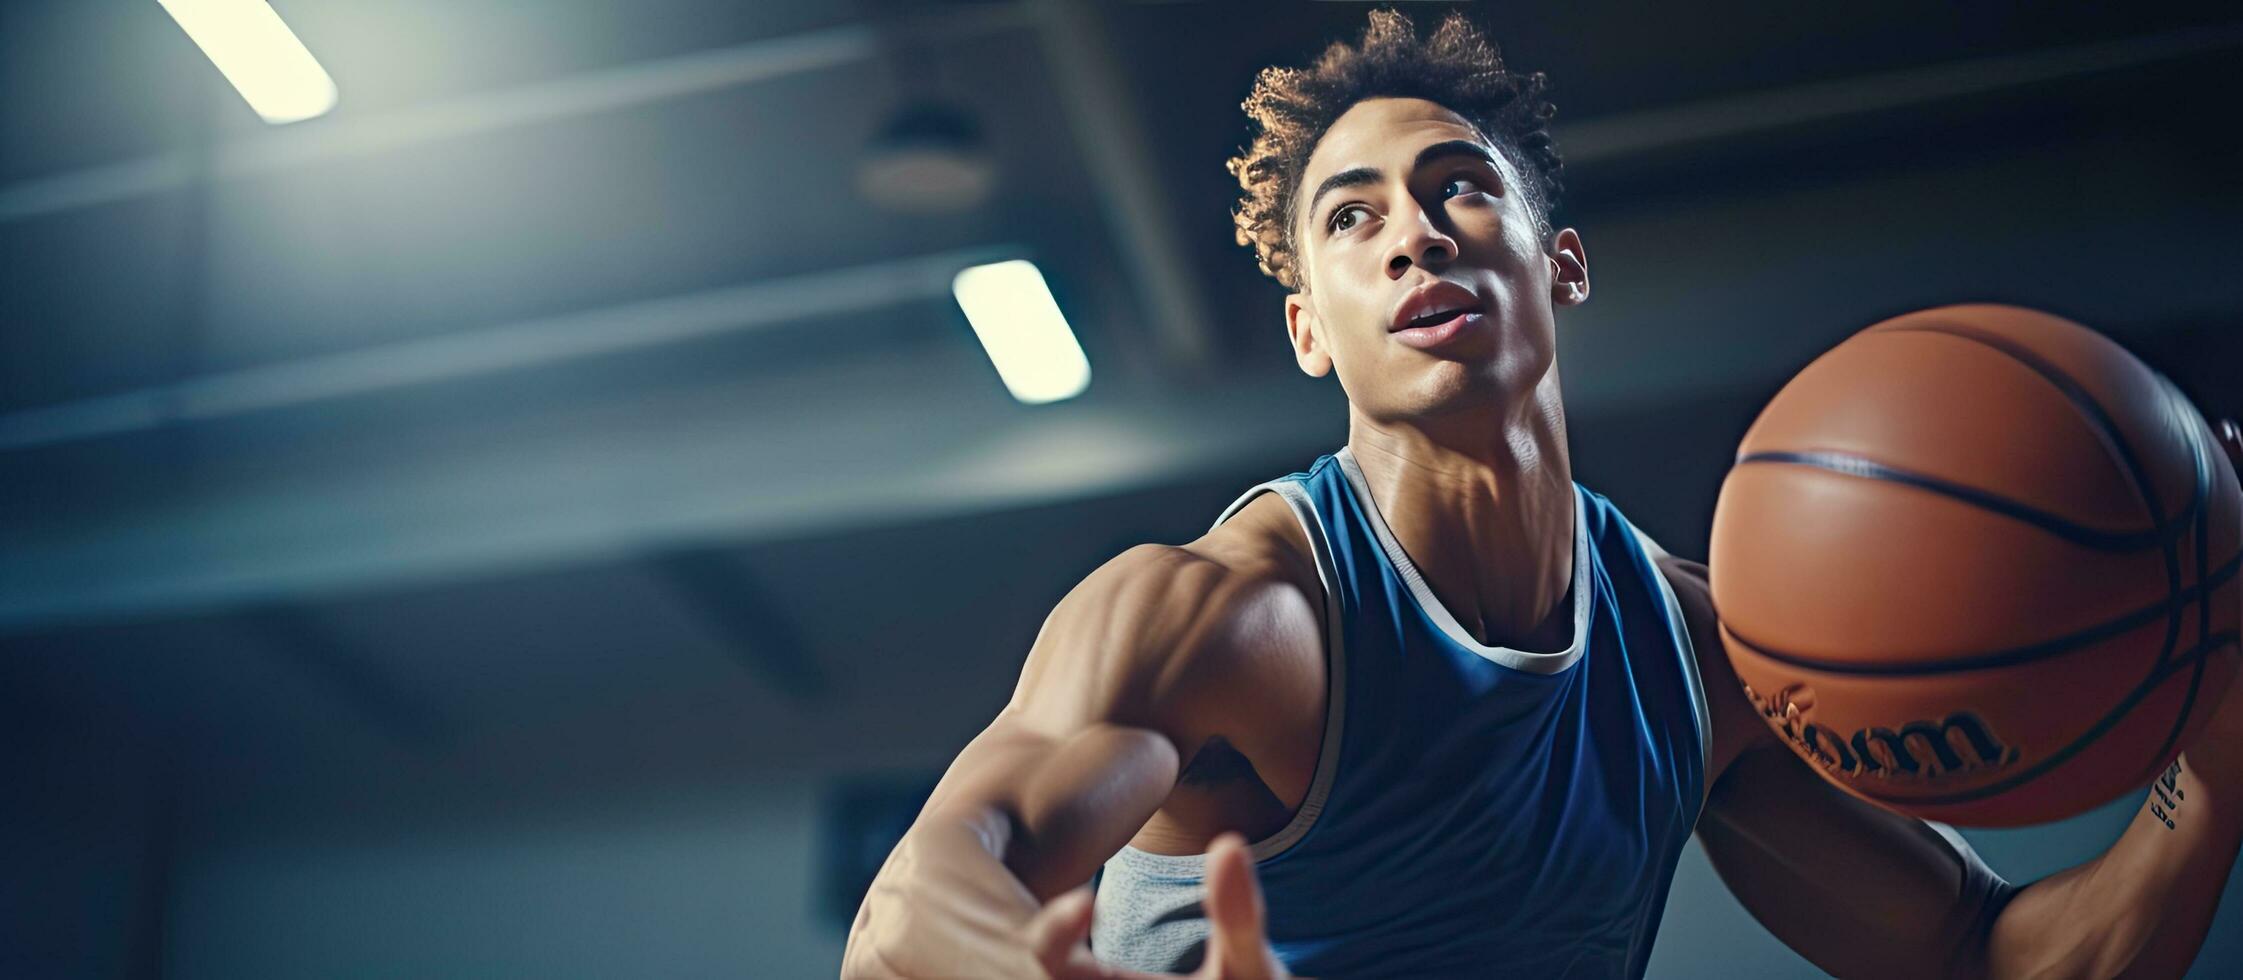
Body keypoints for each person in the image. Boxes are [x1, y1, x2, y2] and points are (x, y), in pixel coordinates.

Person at [840, 10, 2243, 978]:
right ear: (1308, 329)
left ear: (1558, 262)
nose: (1411, 236)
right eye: (1352, 217)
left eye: (1458, 188)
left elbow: (1980, 958)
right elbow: (909, 917)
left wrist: (2222, 736)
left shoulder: (1696, 651)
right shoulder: (1234, 617)